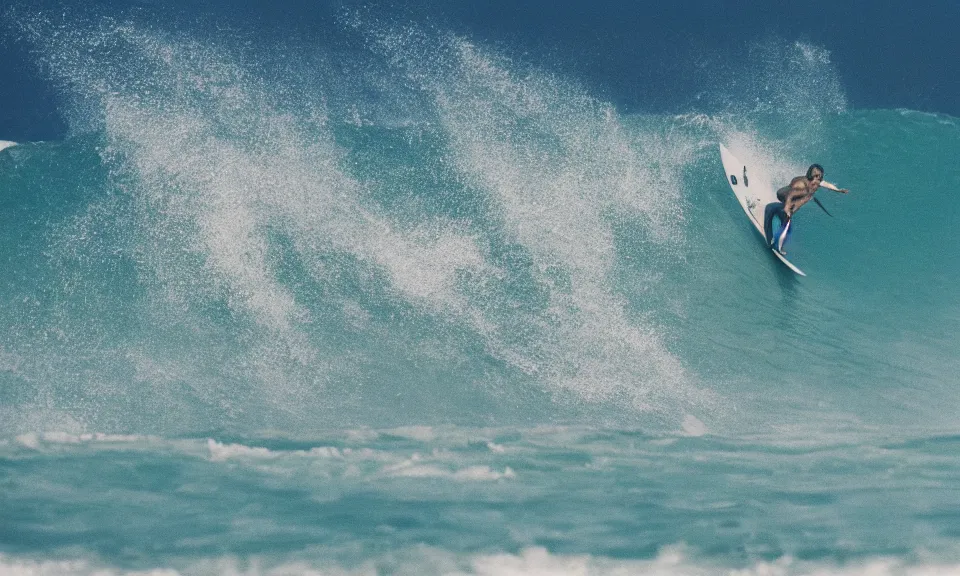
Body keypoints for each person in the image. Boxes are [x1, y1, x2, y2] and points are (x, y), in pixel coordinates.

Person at [764, 164, 849, 255]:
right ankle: (772, 241)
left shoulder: (816, 182)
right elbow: (790, 195)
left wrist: (838, 190)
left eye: (819, 177)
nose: (818, 180)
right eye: (816, 176)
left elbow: (827, 184)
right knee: (776, 210)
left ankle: (778, 244)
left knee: (790, 218)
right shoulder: (801, 184)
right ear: (811, 176)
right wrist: (786, 208)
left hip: (793, 199)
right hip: (783, 194)